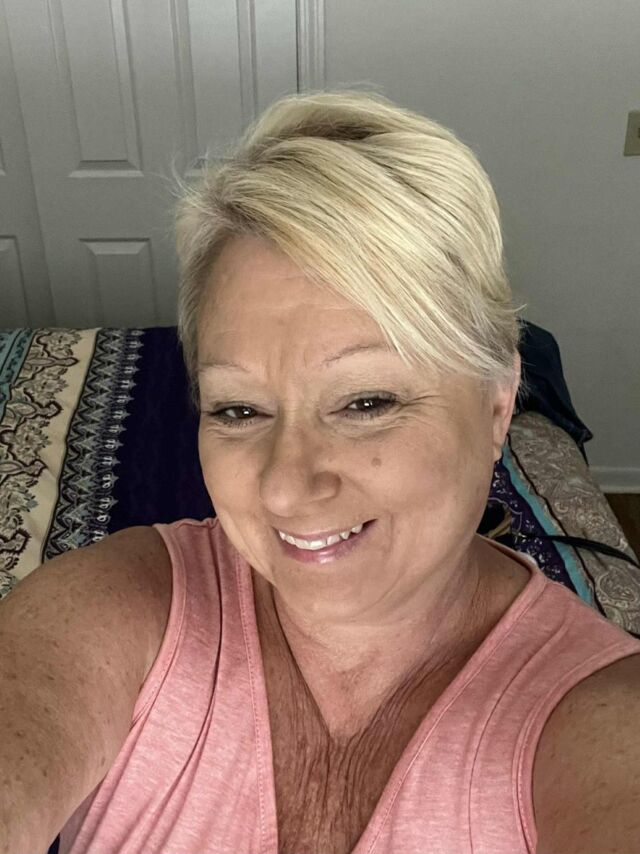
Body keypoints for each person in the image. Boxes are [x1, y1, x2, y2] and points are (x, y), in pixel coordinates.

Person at [1, 90, 640, 854]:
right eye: (239, 409)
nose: (282, 487)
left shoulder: (601, 723)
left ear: (498, 403)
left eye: (366, 402)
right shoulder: (117, 608)